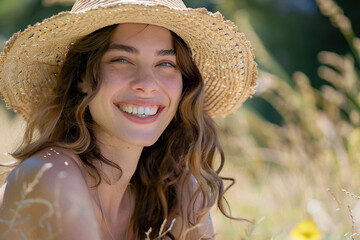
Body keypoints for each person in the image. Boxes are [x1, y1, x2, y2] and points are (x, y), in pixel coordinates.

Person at [0, 0, 257, 239]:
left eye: (166, 63)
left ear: (184, 85)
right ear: (83, 79)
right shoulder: (51, 177)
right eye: (121, 60)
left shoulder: (171, 191)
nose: (146, 84)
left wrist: (191, 201)